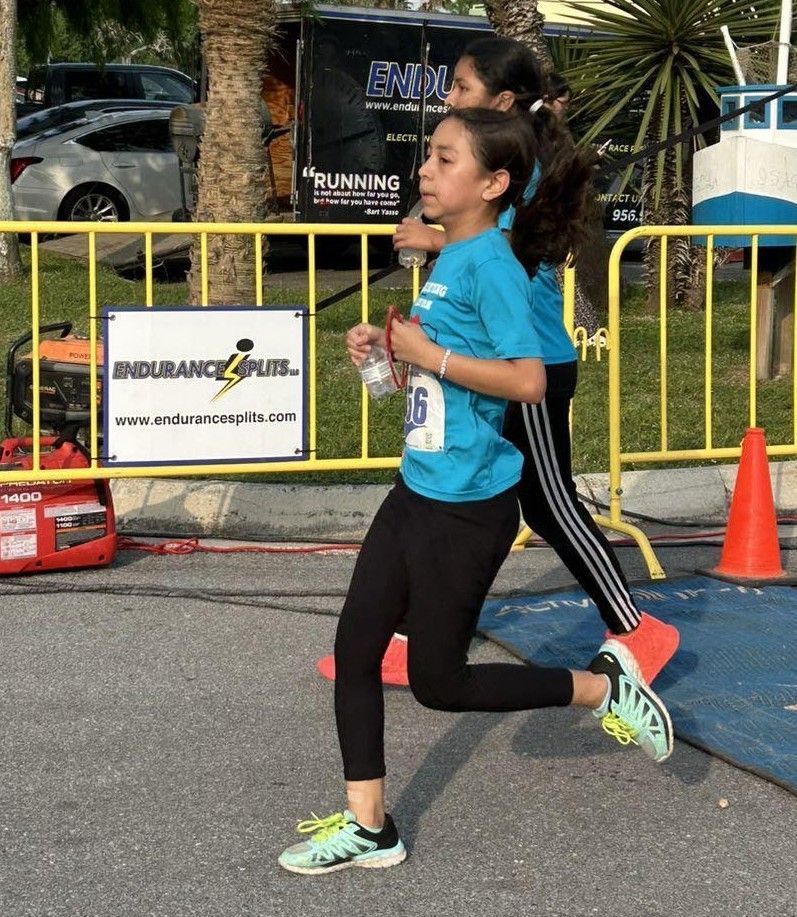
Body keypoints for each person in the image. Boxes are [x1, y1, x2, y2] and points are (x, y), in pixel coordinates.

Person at [279, 107, 674, 876]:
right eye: (428, 155)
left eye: (444, 159)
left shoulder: (492, 266)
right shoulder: (451, 259)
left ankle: (602, 691)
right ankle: (370, 826)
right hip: (416, 487)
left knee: (439, 682)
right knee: (355, 649)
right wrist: (385, 353)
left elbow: (526, 380)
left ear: (492, 184)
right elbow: (436, 378)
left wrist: (429, 350)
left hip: (469, 508)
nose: (424, 170)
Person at [317, 36, 678, 689]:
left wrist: (440, 235)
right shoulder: (488, 167)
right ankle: (401, 633)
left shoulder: (520, 166)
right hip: (478, 356)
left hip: (526, 360)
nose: (448, 98)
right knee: (441, 496)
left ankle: (634, 627)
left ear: (502, 100)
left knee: (548, 504)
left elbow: (522, 258)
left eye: (460, 88)